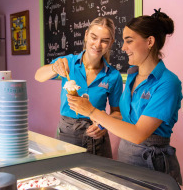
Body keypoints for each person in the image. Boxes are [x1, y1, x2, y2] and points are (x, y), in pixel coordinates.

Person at [67, 9, 183, 184]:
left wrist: (91, 111)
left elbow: (138, 134)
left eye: (129, 41)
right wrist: (103, 123)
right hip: (126, 158)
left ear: (150, 41)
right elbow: (125, 117)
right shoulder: (131, 76)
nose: (122, 48)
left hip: (152, 165)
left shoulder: (167, 83)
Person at [35, 17, 123, 158]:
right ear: (86, 35)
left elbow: (117, 113)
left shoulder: (113, 76)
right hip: (67, 134)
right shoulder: (68, 62)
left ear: (111, 43)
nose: (97, 45)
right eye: (94, 37)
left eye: (104, 40)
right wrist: (54, 67)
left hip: (97, 138)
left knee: (101, 178)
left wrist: (104, 125)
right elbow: (38, 76)